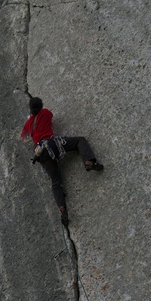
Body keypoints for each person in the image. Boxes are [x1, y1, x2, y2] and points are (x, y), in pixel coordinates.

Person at [20, 97, 103, 226]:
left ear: (30, 109)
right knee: (79, 141)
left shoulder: (29, 123)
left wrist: (30, 124)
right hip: (51, 144)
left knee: (55, 182)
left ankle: (62, 209)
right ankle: (88, 162)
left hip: (40, 154)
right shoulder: (45, 112)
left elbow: (23, 137)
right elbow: (50, 117)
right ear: (40, 106)